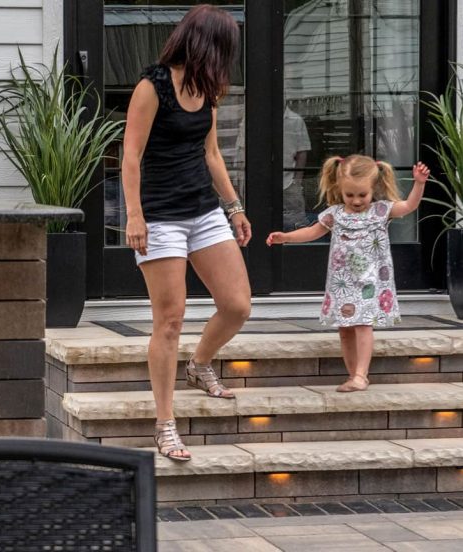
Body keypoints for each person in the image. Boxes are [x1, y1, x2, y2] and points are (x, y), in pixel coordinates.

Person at [122, 5, 251, 462]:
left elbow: (212, 154)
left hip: (203, 210)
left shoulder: (209, 88)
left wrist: (234, 206)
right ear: (206, 44)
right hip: (160, 216)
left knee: (237, 305)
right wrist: (134, 216)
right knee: (170, 321)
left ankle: (199, 365)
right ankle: (165, 424)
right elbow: (131, 156)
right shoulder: (151, 85)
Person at [266, 155, 430, 392]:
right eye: (349, 195)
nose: (355, 201)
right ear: (339, 190)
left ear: (373, 188)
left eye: (362, 195)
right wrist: (286, 237)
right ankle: (353, 374)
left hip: (370, 281)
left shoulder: (380, 211)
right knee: (345, 329)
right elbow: (312, 232)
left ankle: (362, 375)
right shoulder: (335, 214)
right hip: (342, 282)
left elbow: (409, 206)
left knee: (363, 324)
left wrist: (419, 184)